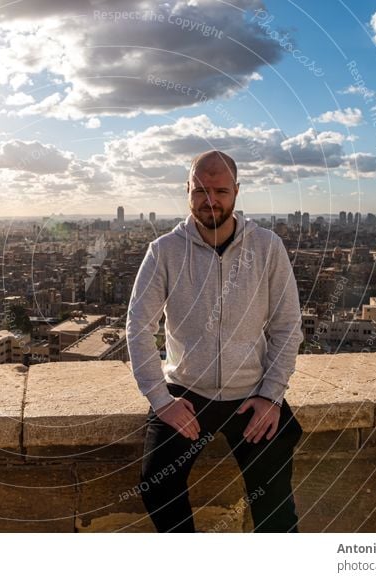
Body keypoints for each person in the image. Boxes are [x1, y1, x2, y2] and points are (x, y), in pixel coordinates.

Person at [126, 150, 304, 533]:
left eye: (220, 190)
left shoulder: (268, 247)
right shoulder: (164, 251)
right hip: (187, 391)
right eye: (200, 191)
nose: (210, 201)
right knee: (157, 485)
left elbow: (288, 325)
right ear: (186, 191)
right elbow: (138, 326)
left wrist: (272, 395)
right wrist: (161, 401)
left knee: (274, 504)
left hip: (251, 393)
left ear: (237, 192)